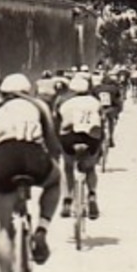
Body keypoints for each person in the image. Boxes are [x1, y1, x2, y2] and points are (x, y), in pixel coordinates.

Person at [0, 73, 63, 272]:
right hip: (33, 155)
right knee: (55, 181)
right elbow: (54, 146)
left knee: (5, 228)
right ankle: (42, 230)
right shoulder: (39, 106)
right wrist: (51, 163)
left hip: (3, 159)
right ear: (28, 92)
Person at [55, 75, 106, 220]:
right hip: (90, 139)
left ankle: (67, 199)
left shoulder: (64, 102)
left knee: (67, 167)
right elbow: (102, 122)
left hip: (70, 138)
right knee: (90, 168)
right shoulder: (95, 102)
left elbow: (57, 123)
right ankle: (92, 195)